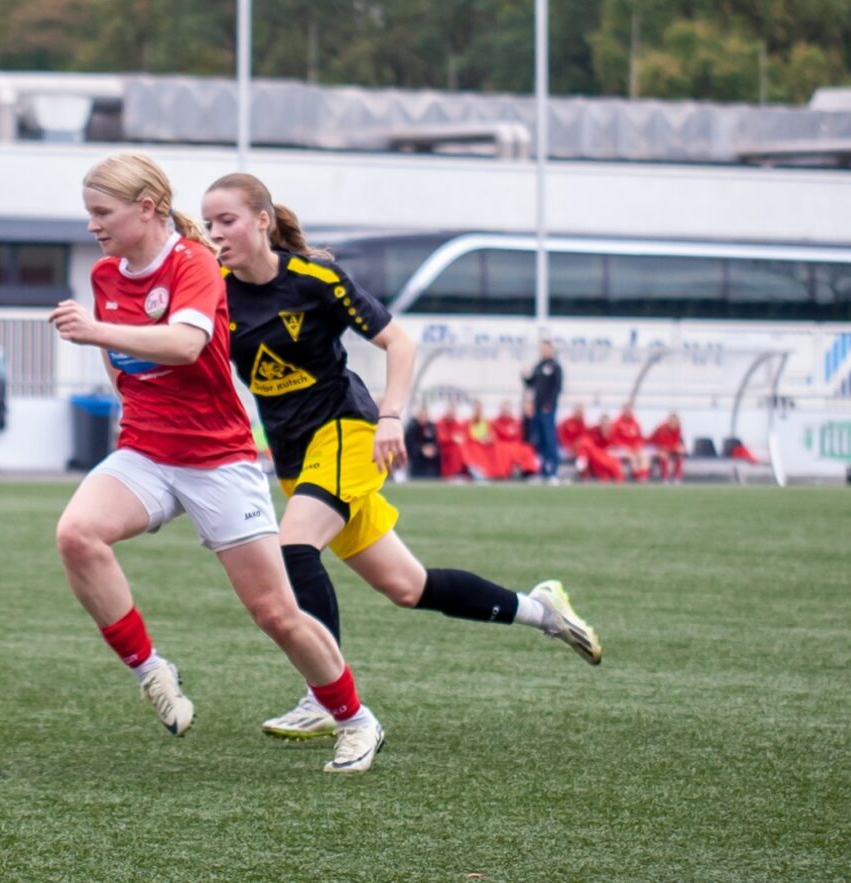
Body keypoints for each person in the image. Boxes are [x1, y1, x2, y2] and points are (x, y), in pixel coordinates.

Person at [201, 172, 602, 742]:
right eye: (209, 223)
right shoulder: (215, 292)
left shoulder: (315, 278)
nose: (216, 233)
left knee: (293, 547)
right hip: (294, 458)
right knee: (407, 586)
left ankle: (324, 694)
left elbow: (399, 342)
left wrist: (390, 416)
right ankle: (543, 611)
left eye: (227, 220)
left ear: (262, 221)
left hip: (347, 433)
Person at [49, 152, 384, 773]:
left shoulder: (195, 263)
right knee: (76, 534)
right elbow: (118, 366)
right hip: (147, 450)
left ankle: (355, 719)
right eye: (89, 213)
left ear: (145, 208)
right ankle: (152, 672)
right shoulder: (105, 274)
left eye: (102, 212)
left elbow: (186, 343)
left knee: (275, 613)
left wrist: (97, 331)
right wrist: (126, 399)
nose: (92, 225)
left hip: (217, 459)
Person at [522, 337, 564, 483]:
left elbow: (557, 388)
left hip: (547, 410)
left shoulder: (555, 367)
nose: (543, 351)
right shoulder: (538, 366)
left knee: (550, 439)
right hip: (536, 409)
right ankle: (542, 471)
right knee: (539, 441)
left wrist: (549, 404)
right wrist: (525, 377)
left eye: (546, 348)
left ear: (551, 349)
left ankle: (553, 472)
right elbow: (531, 384)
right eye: (541, 349)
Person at [608, 405, 650, 482]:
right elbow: (613, 439)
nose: (628, 412)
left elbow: (639, 438)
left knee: (643, 457)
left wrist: (637, 447)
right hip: (621, 449)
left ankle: (643, 476)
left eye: (629, 410)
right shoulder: (617, 423)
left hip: (633, 448)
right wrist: (624, 447)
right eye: (626, 410)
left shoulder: (636, 423)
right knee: (632, 458)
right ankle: (637, 475)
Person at [648, 412, 686, 483]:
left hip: (668, 448)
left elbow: (676, 442)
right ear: (669, 421)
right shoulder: (662, 428)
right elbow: (662, 445)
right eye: (672, 422)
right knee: (664, 455)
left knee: (680, 453)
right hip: (653, 447)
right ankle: (665, 477)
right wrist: (674, 448)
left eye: (676, 423)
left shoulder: (678, 429)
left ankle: (677, 477)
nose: (674, 424)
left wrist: (679, 448)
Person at [404, 405, 440, 479]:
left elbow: (436, 442)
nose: (423, 418)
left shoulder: (431, 427)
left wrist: (432, 450)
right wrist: (421, 449)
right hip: (416, 461)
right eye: (421, 415)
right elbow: (409, 444)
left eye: (425, 415)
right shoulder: (412, 427)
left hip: (430, 462)